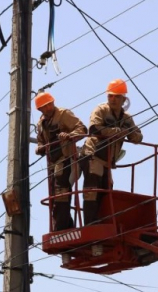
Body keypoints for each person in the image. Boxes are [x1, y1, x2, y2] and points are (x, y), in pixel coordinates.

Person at [80, 79, 143, 225]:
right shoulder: (100, 110)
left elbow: (138, 136)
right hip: (92, 155)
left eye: (116, 96)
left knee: (106, 191)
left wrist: (129, 133)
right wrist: (116, 132)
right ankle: (90, 225)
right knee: (92, 192)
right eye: (110, 96)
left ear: (123, 99)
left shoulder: (126, 118)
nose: (113, 99)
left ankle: (103, 222)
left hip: (107, 162)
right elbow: (94, 129)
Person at [34, 91, 87, 231]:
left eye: (50, 104)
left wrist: (69, 136)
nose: (48, 108)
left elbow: (82, 129)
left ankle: (60, 228)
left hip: (66, 160)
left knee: (61, 192)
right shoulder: (41, 124)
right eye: (45, 106)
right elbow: (41, 142)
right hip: (53, 164)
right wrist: (39, 148)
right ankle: (66, 226)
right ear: (40, 109)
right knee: (55, 197)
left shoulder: (64, 114)